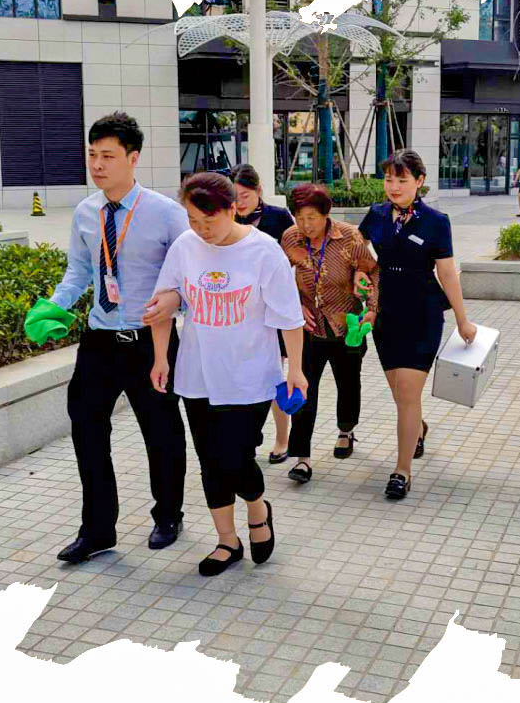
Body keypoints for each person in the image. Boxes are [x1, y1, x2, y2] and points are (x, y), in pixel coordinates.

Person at [148, 172, 307, 576]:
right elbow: (165, 300)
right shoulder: (185, 247)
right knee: (209, 461)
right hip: (197, 374)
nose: (201, 230)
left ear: (233, 209)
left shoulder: (264, 251)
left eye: (210, 220)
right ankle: (227, 541)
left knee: (235, 457)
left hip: (250, 376)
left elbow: (289, 317)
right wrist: (161, 358)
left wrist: (296, 369)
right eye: (193, 220)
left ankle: (257, 508)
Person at [49, 112, 189, 564]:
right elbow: (78, 271)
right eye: (92, 154)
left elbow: (191, 273)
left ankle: (168, 515)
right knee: (87, 431)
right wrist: (53, 305)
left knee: (161, 432)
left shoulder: (166, 213)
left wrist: (177, 300)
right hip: (99, 340)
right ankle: (97, 530)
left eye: (108, 156)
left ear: (133, 158)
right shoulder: (86, 213)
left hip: (150, 341)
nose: (97, 164)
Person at [359, 149, 477, 500]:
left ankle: (402, 470)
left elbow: (447, 273)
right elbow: (359, 253)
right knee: (402, 396)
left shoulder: (436, 221)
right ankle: (418, 428)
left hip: (423, 314)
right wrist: (359, 276)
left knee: (409, 392)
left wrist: (463, 319)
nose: (393, 186)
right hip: (386, 316)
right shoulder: (376, 214)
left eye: (402, 179)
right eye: (388, 179)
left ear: (419, 181)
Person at [280, 183, 379, 484]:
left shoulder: (349, 237)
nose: (305, 225)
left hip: (346, 327)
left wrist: (372, 308)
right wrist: (295, 306)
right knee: (302, 390)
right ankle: (302, 458)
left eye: (311, 217)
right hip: (308, 329)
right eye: (299, 217)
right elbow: (278, 279)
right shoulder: (290, 238)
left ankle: (346, 431)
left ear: (326, 214)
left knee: (348, 383)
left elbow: (372, 270)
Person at [231, 163, 296, 464]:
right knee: (245, 377)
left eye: (245, 196)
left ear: (258, 191)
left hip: (272, 309)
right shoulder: (227, 219)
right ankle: (249, 437)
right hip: (239, 311)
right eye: (234, 197)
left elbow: (294, 258)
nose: (239, 202)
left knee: (273, 376)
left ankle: (283, 438)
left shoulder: (279, 218)